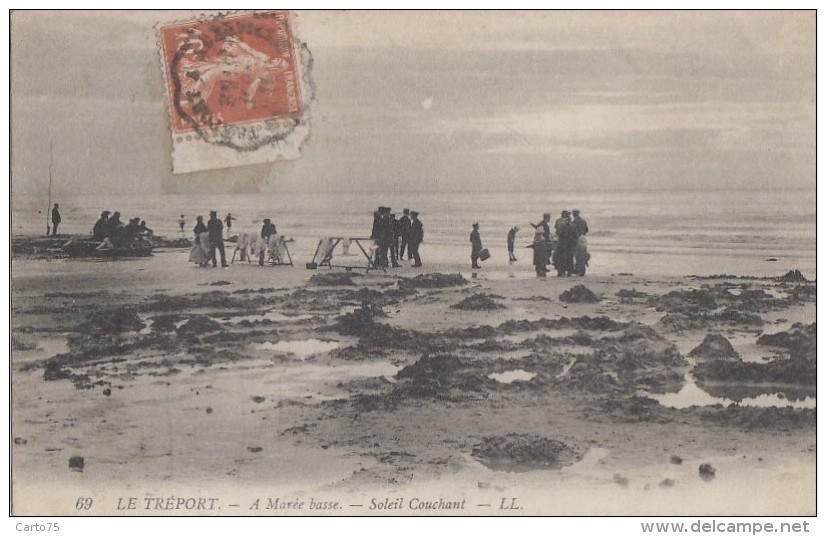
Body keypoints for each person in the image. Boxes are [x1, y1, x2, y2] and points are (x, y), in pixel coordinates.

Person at [554, 211, 576, 276]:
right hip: (569, 244)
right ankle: (569, 271)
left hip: (562, 243)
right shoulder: (572, 225)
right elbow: (575, 235)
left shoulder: (561, 224)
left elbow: (557, 232)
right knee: (569, 257)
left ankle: (561, 271)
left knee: (561, 257)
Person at [571, 209, 590, 276]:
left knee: (578, 256)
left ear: (574, 214)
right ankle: (582, 270)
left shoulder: (574, 222)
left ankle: (578, 270)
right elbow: (587, 230)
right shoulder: (583, 221)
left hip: (576, 240)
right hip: (583, 239)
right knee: (583, 254)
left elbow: (572, 231)